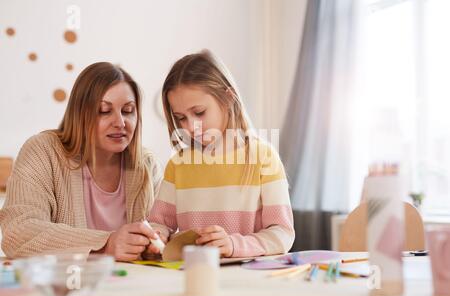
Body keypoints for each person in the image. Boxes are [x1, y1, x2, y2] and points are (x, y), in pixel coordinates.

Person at [0, 62, 163, 261]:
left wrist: (158, 241)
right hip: (63, 288)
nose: (120, 122)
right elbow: (19, 233)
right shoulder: (42, 151)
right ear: (79, 114)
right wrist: (106, 244)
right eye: (104, 111)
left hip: (129, 286)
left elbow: (160, 229)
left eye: (128, 111)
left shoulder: (147, 165)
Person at [147, 50, 295, 258]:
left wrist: (234, 245)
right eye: (180, 117)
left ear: (228, 97)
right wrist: (157, 236)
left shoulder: (263, 158)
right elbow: (159, 224)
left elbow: (282, 233)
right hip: (195, 275)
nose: (190, 126)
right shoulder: (179, 164)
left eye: (199, 113)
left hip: (248, 280)